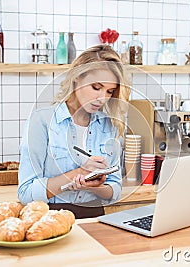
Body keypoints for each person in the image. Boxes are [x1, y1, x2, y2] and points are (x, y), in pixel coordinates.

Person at [18, 45, 131, 216]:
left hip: (94, 217)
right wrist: (79, 173)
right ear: (77, 77)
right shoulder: (41, 122)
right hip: (50, 218)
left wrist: (94, 186)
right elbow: (26, 194)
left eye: (109, 91)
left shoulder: (110, 127)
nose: (102, 98)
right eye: (96, 87)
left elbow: (114, 191)